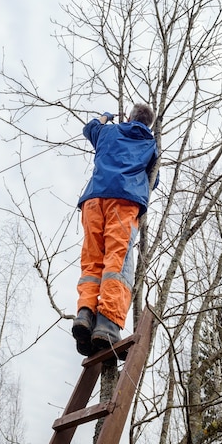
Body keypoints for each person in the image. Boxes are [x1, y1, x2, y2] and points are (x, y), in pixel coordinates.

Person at [72, 103, 159, 356]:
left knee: (92, 262)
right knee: (116, 262)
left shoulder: (108, 132)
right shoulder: (150, 145)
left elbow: (90, 127)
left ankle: (85, 314)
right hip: (124, 202)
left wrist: (106, 117)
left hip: (94, 200)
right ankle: (107, 325)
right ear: (149, 125)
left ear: (129, 117)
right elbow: (155, 180)